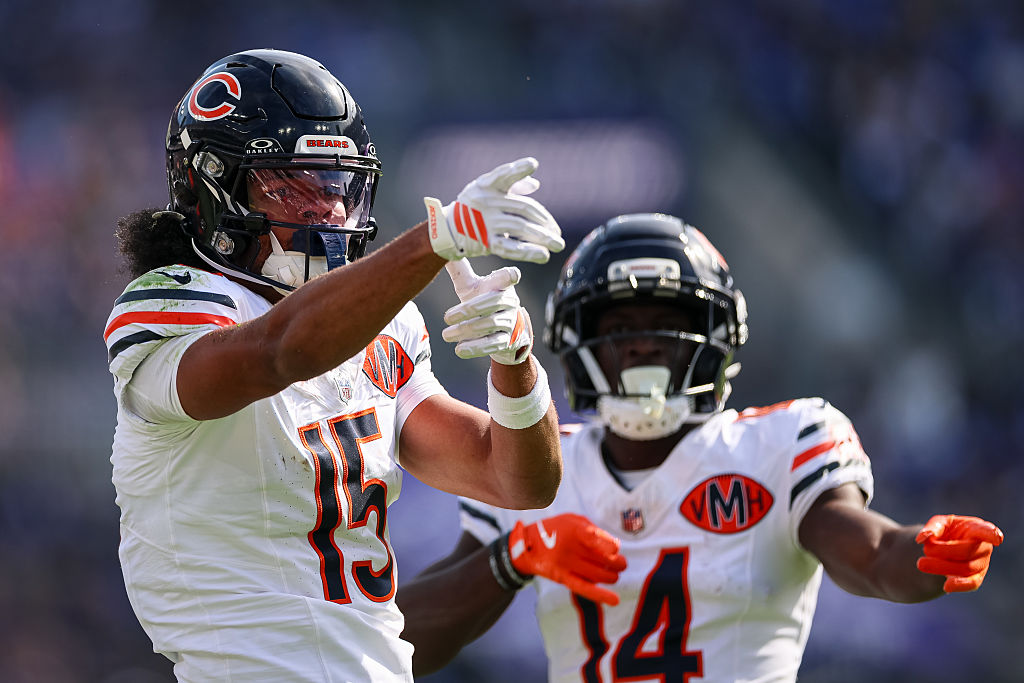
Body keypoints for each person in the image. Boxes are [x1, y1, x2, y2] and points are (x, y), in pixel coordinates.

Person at [104, 48, 567, 682]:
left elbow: (516, 482)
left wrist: (516, 366)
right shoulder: (172, 306)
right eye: (289, 185)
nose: (323, 209)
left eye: (334, 184)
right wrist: (435, 238)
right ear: (210, 189)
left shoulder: (379, 325)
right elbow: (281, 352)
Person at [397, 213, 1004, 682]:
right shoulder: (536, 468)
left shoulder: (780, 441)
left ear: (715, 340)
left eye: (665, 326)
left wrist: (922, 553)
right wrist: (513, 558)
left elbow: (869, 553)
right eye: (618, 329)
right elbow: (402, 644)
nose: (641, 346)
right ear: (578, 344)